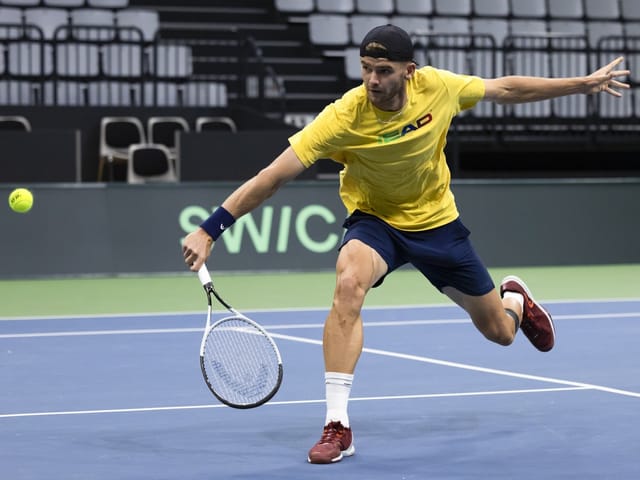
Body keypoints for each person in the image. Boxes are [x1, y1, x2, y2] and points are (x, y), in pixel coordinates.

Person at [182, 24, 629, 465]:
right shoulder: (343, 116)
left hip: (438, 224)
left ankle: (514, 299)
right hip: (377, 223)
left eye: (384, 70)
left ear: (409, 71)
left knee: (501, 334)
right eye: (366, 69)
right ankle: (337, 426)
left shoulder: (438, 87)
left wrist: (581, 84)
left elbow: (507, 89)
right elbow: (272, 177)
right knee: (348, 283)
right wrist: (209, 229)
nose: (373, 80)